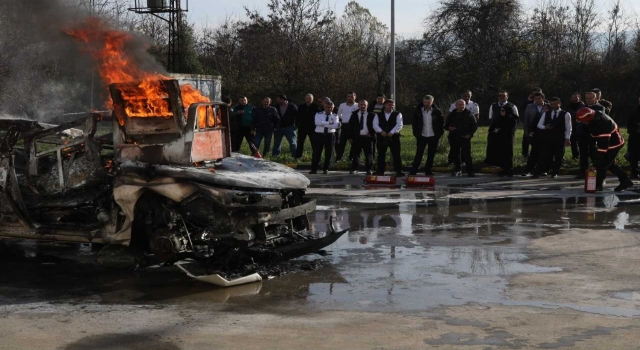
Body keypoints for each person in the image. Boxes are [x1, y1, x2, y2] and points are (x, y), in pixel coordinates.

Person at [576, 107, 633, 192]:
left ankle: (598, 185)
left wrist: (599, 156)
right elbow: (593, 136)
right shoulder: (593, 119)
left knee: (602, 164)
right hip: (605, 143)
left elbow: (604, 143)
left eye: (584, 121)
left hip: (614, 144)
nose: (584, 123)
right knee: (609, 164)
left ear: (589, 117)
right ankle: (625, 181)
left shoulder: (604, 122)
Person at [532, 97, 572, 178]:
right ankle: (539, 171)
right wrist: (545, 127)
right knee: (544, 155)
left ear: (559, 104)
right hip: (548, 138)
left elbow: (568, 128)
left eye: (555, 104)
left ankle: (555, 172)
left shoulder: (566, 114)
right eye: (552, 104)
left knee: (558, 156)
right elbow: (539, 125)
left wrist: (567, 138)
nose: (553, 106)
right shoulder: (546, 113)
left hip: (560, 138)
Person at [484, 91, 519, 177]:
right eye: (499, 96)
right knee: (499, 152)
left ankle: (509, 169)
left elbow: (516, 119)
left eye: (503, 96)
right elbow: (491, 118)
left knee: (508, 152)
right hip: (497, 135)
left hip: (508, 135)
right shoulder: (493, 105)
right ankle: (502, 169)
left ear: (507, 97)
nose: (501, 97)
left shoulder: (512, 106)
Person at [410, 95, 444, 176]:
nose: (426, 104)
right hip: (422, 135)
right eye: (425, 102)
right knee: (419, 153)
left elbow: (441, 123)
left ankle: (428, 170)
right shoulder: (418, 111)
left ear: (432, 102)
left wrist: (439, 134)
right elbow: (414, 123)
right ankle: (414, 170)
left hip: (433, 136)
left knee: (431, 154)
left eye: (428, 102)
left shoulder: (437, 111)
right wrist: (416, 134)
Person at [445, 99, 478, 177]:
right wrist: (449, 128)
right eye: (460, 105)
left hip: (465, 137)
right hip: (454, 137)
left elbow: (474, 125)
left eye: (463, 104)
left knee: (466, 154)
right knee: (455, 154)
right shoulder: (452, 114)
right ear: (456, 105)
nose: (462, 106)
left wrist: (470, 134)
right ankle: (458, 169)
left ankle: (470, 171)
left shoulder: (469, 114)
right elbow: (446, 125)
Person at [373, 99, 404, 177]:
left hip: (394, 137)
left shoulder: (398, 114)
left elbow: (399, 124)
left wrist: (392, 132)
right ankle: (380, 170)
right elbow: (375, 124)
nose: (391, 106)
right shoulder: (378, 114)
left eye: (392, 105)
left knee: (396, 154)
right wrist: (381, 131)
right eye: (389, 105)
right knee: (381, 154)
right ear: (385, 105)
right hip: (382, 137)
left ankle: (399, 171)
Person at [522, 93, 549, 176]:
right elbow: (526, 120)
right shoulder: (530, 107)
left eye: (539, 98)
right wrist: (527, 132)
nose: (537, 100)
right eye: (535, 99)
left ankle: (543, 170)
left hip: (546, 134)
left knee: (545, 153)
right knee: (534, 153)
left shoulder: (548, 106)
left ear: (543, 99)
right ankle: (528, 170)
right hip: (534, 133)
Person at [347, 99, 376, 175]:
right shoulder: (354, 114)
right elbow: (350, 126)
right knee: (356, 154)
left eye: (364, 105)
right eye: (361, 104)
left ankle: (369, 169)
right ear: (358, 105)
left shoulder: (372, 115)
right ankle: (355, 169)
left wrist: (372, 134)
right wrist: (350, 137)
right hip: (357, 138)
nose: (363, 106)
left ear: (367, 106)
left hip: (368, 138)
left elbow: (375, 126)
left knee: (369, 155)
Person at [310, 100, 338, 174]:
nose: (329, 109)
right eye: (327, 107)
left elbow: (335, 125)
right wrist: (329, 123)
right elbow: (317, 123)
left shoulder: (335, 116)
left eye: (331, 107)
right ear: (324, 107)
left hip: (330, 135)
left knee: (329, 152)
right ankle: (314, 169)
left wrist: (323, 123)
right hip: (319, 134)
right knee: (316, 152)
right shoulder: (318, 114)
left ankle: (326, 168)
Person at [566, 93, 587, 178]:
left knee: (581, 143)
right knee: (573, 142)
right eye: (573, 97)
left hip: (580, 127)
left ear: (579, 98)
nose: (575, 99)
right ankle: (575, 156)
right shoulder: (569, 106)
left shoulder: (583, 106)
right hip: (572, 126)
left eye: (576, 97)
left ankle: (581, 158)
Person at [336, 92, 359, 162]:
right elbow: (338, 115)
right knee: (342, 143)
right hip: (345, 126)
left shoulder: (358, 105)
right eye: (348, 96)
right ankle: (338, 158)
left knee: (354, 143)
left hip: (354, 126)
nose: (350, 98)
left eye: (352, 96)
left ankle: (351, 158)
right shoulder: (342, 105)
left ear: (355, 97)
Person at [520, 87, 543, 158]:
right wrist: (528, 101)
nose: (535, 96)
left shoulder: (547, 104)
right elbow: (521, 109)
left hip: (542, 127)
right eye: (534, 94)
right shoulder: (529, 104)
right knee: (526, 139)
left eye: (537, 94)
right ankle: (525, 154)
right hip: (530, 125)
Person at [296, 94, 320, 159]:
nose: (308, 100)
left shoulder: (316, 107)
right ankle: (298, 156)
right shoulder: (301, 106)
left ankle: (315, 157)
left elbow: (319, 117)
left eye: (310, 98)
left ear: (312, 99)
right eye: (307, 98)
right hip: (302, 127)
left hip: (312, 128)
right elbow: (297, 116)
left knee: (314, 143)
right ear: (305, 99)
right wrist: (297, 124)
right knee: (300, 142)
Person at [627, 97, 640, 179]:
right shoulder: (634, 111)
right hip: (635, 136)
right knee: (633, 155)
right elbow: (629, 123)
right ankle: (634, 172)